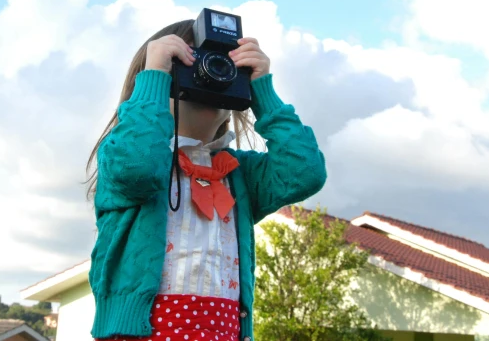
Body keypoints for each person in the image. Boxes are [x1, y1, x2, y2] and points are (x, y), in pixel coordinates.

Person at [85, 20, 326, 341]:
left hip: (224, 331)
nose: (209, 76)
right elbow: (138, 168)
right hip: (140, 331)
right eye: (187, 65)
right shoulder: (123, 153)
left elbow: (304, 173)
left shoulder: (238, 172)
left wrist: (263, 91)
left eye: (222, 68)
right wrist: (155, 75)